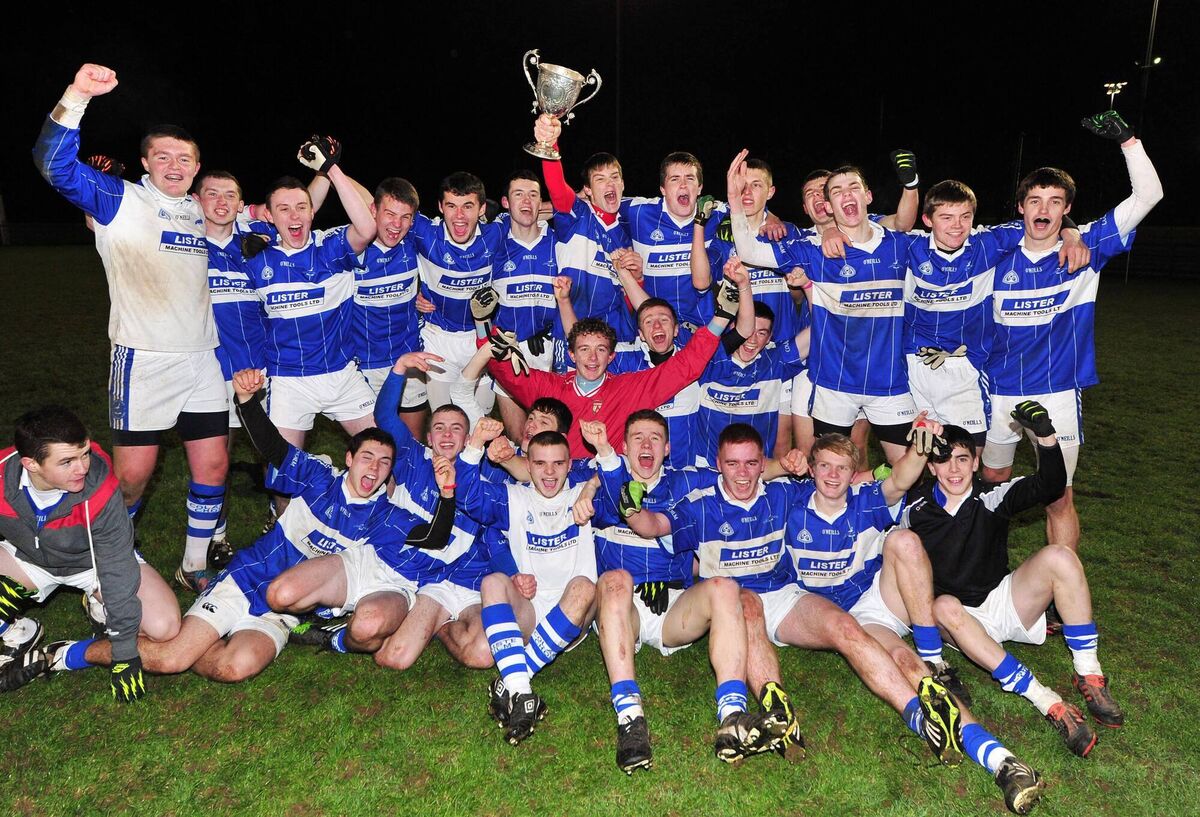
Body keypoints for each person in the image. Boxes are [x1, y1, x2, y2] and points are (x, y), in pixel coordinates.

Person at [623, 422, 1045, 815]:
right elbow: (655, 525)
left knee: (877, 646)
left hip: (790, 597)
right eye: (732, 464)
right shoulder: (712, 501)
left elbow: (882, 481)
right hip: (738, 603)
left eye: (753, 464)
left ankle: (994, 755)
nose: (744, 473)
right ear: (718, 464)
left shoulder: (786, 494)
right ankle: (776, 712)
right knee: (745, 604)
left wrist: (916, 445)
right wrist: (630, 511)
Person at [41, 369, 439, 684]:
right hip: (248, 580)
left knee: (235, 667)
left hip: (282, 613)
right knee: (172, 660)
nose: (374, 467)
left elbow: (432, 541)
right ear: (349, 458)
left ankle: (179, 644)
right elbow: (275, 448)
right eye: (367, 457)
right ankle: (67, 654)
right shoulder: (319, 478)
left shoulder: (388, 517)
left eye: (384, 463)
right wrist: (247, 402)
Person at [33, 63, 229, 583]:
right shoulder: (123, 201)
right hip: (143, 359)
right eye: (162, 155)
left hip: (202, 359)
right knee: (131, 480)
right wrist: (76, 95)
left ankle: (193, 564)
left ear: (196, 165)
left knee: (212, 468)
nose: (174, 164)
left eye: (184, 158)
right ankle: (111, 564)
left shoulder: (197, 210)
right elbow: (53, 164)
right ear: (145, 162)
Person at [981, 111, 1162, 550]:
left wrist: (1129, 141)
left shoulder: (1086, 250)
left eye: (1055, 202)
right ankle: (983, 579)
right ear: (1020, 206)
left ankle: (1063, 597)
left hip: (1056, 390)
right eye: (1035, 200)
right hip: (996, 390)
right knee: (990, 488)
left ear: (1066, 209)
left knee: (1058, 496)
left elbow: (1148, 195)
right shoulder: (993, 250)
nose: (1044, 210)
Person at [901, 405, 1123, 757]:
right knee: (942, 606)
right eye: (944, 461)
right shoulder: (914, 505)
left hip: (1003, 600)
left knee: (1060, 556)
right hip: (958, 620)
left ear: (976, 462)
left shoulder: (991, 494)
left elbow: (1051, 486)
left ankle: (1089, 673)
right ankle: (1046, 700)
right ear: (930, 466)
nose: (954, 469)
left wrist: (1045, 436)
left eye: (962, 459)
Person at [589, 413, 791, 770]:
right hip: (623, 608)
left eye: (655, 438)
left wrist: (786, 466)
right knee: (615, 579)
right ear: (623, 447)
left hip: (675, 605)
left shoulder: (689, 481)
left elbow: (741, 472)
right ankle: (630, 719)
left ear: (668, 448)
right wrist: (586, 489)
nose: (647, 445)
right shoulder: (602, 481)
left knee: (725, 586)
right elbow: (545, 474)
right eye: (637, 438)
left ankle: (732, 718)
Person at [728, 155, 918, 465]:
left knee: (908, 466)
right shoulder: (812, 250)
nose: (847, 195)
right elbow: (749, 250)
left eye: (853, 187)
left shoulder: (898, 244)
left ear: (867, 196)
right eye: (837, 191)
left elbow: (907, 222)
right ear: (829, 206)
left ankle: (897, 512)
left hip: (889, 382)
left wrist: (911, 185)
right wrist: (734, 197)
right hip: (835, 384)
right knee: (828, 467)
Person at [0, 406, 180, 699]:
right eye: (68, 461)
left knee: (165, 626)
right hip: (26, 559)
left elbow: (116, 566)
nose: (82, 467)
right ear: (31, 464)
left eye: (84, 453)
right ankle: (18, 633)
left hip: (92, 565)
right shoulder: (1, 476)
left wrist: (123, 653)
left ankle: (82, 630)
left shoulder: (101, 488)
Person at [479, 274, 743, 459]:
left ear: (612, 357)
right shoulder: (551, 388)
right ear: (571, 355)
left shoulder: (628, 389)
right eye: (584, 350)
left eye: (600, 350)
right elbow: (505, 371)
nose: (592, 358)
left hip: (603, 485)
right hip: (554, 480)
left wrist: (722, 316)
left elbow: (686, 366)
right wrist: (483, 325)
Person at [456, 418, 598, 746]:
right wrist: (475, 444)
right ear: (527, 465)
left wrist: (591, 486)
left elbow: (616, 480)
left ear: (570, 464)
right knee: (493, 582)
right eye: (540, 464)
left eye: (558, 464)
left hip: (573, 615)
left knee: (585, 586)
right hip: (530, 613)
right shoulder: (514, 498)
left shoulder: (583, 497)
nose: (549, 473)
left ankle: (516, 680)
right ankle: (523, 692)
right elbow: (467, 497)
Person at [240, 138, 379, 460]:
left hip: (341, 375)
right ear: (270, 217)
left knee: (382, 453)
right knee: (283, 468)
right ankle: (282, 513)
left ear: (312, 212)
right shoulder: (258, 258)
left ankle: (380, 510)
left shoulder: (330, 249)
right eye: (284, 210)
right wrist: (249, 213)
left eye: (302, 208)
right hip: (289, 381)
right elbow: (215, 217)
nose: (294, 216)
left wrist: (330, 169)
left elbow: (367, 226)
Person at [196, 169, 269, 570]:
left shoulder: (257, 245)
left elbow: (297, 208)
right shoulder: (185, 246)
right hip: (212, 372)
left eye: (230, 194)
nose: (221, 201)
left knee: (271, 452)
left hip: (262, 368)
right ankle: (216, 536)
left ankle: (279, 522)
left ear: (241, 205)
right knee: (217, 459)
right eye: (212, 194)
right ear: (196, 199)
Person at [408, 172, 507, 425]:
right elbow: (382, 207)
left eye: (468, 206)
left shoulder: (494, 233)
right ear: (441, 207)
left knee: (479, 425)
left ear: (482, 209)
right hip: (440, 340)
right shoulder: (425, 234)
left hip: (481, 342)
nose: (459, 216)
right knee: (446, 426)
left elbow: (529, 210)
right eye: (451, 206)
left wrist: (581, 201)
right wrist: (332, 168)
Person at [532, 114, 640, 342]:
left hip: (614, 344)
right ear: (588, 190)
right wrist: (551, 143)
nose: (610, 183)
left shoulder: (628, 234)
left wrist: (638, 277)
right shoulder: (576, 215)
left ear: (622, 184)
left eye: (614, 177)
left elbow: (629, 299)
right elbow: (557, 187)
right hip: (570, 337)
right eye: (600, 179)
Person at [348, 176, 428, 440]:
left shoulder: (412, 242)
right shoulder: (353, 247)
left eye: (405, 217)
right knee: (376, 444)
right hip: (366, 363)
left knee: (412, 442)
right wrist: (332, 169)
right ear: (373, 211)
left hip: (409, 355)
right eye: (389, 214)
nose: (396, 224)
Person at [485, 170, 561, 440]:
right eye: (519, 194)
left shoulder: (558, 240)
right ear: (506, 202)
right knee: (520, 437)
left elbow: (580, 205)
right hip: (508, 353)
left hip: (549, 352)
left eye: (533, 195)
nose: (527, 201)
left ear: (542, 203)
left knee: (549, 437)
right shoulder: (493, 243)